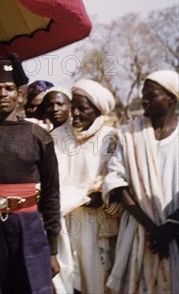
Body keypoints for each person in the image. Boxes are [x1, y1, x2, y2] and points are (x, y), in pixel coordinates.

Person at [0, 60, 60, 294]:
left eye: (8, 88)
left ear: (20, 94)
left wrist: (53, 249)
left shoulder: (39, 136)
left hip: (29, 226)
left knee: (30, 287)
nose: (2, 94)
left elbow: (51, 194)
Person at [103, 70, 179, 293]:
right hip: (139, 230)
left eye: (151, 95)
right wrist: (152, 228)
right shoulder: (127, 134)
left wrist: (171, 226)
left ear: (172, 99)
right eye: (143, 94)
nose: (144, 99)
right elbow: (116, 182)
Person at [66, 79, 119, 294]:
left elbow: (116, 178)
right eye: (73, 108)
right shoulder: (65, 136)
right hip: (67, 218)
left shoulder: (110, 137)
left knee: (96, 279)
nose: (75, 113)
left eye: (82, 108)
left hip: (96, 219)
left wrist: (103, 192)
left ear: (98, 109)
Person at [42, 87, 79, 294]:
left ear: (70, 107)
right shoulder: (43, 137)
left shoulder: (79, 136)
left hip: (81, 214)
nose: (54, 109)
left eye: (60, 104)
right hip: (55, 217)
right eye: (50, 104)